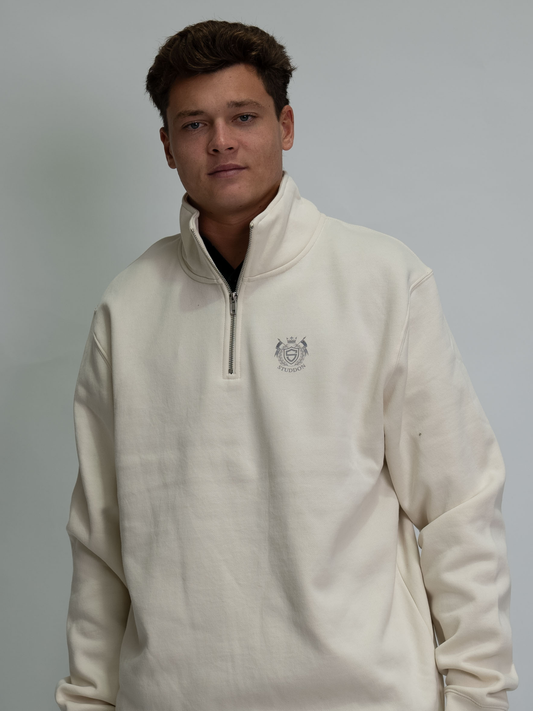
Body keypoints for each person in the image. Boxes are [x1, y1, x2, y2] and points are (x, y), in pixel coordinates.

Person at [55, 20, 518, 711]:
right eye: (193, 124)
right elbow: (100, 542)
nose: (220, 141)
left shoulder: (382, 282)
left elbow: (460, 507)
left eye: (243, 116)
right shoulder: (125, 310)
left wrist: (478, 697)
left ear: (286, 126)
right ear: (168, 146)